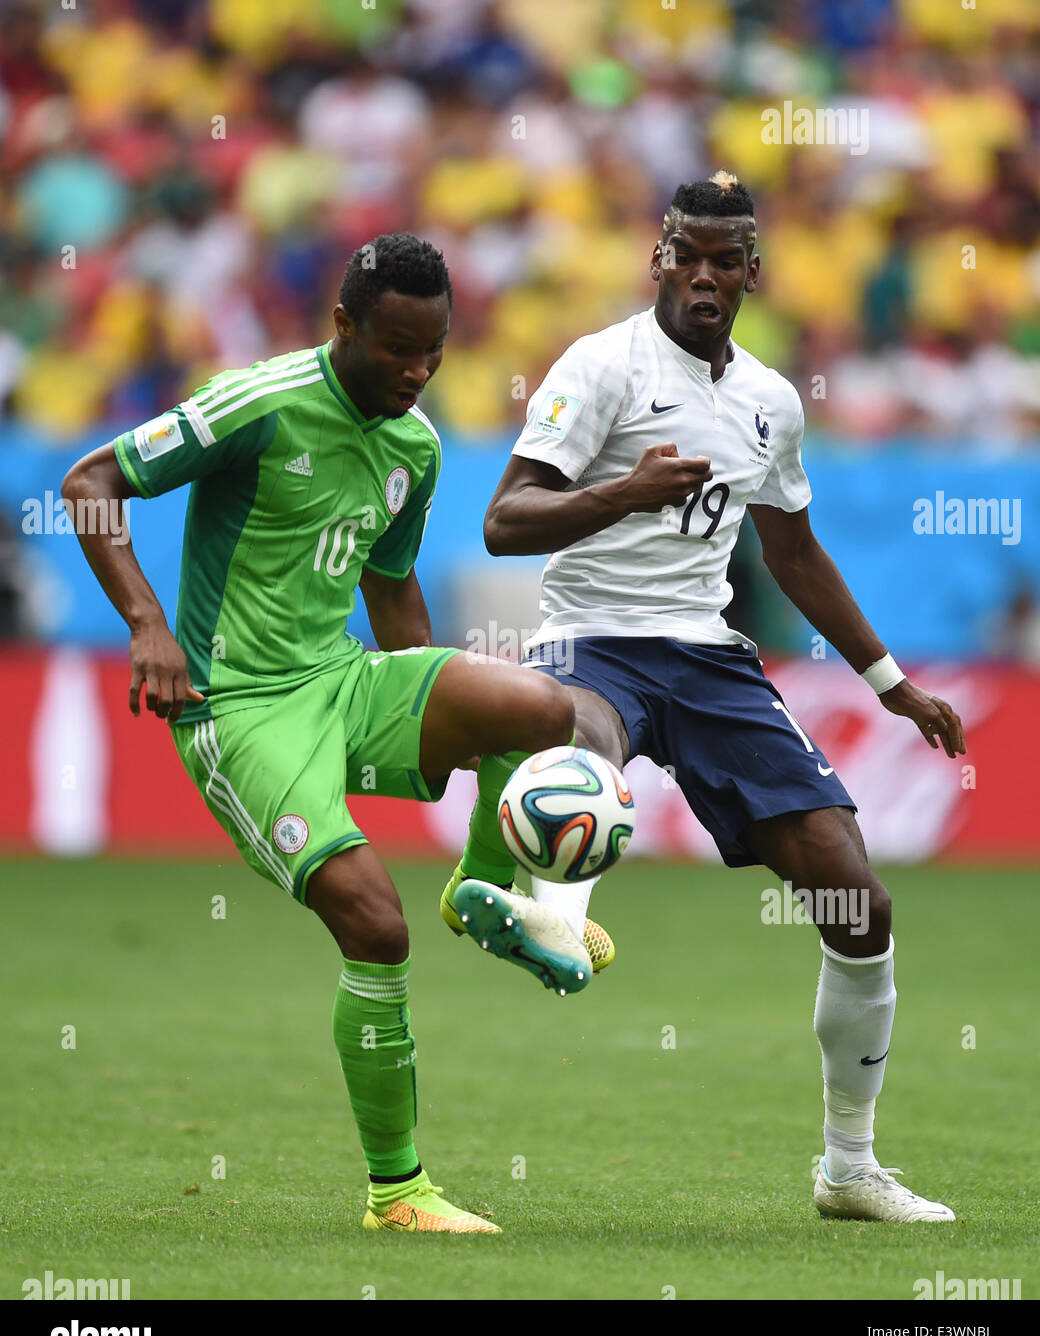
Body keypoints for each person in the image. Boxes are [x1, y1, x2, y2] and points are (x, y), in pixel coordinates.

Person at [443, 174, 967, 1223]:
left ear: (750, 272)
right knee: (578, 745)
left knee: (853, 901)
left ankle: (847, 1167)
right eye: (684, 253)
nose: (702, 275)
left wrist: (892, 683)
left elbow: (794, 552)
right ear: (657, 258)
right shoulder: (598, 368)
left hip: (709, 660)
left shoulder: (769, 401)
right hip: (592, 639)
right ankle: (544, 912)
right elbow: (505, 520)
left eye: (724, 259)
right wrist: (623, 493)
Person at [61, 232, 596, 1235]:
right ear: (342, 322)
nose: (415, 371)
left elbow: (391, 589)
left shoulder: (415, 445)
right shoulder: (257, 404)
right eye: (396, 347)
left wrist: (436, 699)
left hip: (343, 680)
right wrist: (148, 627)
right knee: (370, 922)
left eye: (432, 351)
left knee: (538, 709)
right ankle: (396, 1194)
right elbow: (92, 483)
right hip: (238, 708)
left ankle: (483, 891)